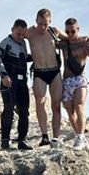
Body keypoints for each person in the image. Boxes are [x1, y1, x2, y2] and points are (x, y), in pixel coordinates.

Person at [57, 18, 89, 150]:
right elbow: (52, 33)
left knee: (78, 105)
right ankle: (80, 137)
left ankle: (81, 136)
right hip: (66, 81)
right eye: (68, 32)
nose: (70, 34)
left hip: (79, 80)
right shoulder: (64, 44)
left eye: (73, 31)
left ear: (78, 30)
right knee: (70, 111)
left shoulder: (85, 44)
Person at [24, 8, 65, 146]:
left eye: (45, 24)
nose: (43, 27)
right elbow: (15, 35)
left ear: (50, 22)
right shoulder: (29, 33)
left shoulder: (54, 31)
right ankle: (44, 136)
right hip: (39, 72)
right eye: (40, 23)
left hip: (54, 71)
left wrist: (84, 39)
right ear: (36, 21)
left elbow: (71, 38)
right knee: (39, 102)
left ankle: (56, 137)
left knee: (56, 105)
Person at [0, 19, 33, 150]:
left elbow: (25, 58)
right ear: (12, 30)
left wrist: (40, 55)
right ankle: (5, 140)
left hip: (22, 82)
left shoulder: (23, 43)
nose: (20, 36)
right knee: (8, 109)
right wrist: (4, 75)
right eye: (18, 34)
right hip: (9, 81)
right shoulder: (6, 42)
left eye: (23, 34)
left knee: (24, 111)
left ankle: (22, 140)